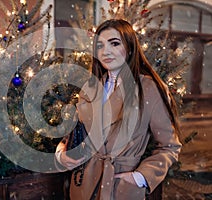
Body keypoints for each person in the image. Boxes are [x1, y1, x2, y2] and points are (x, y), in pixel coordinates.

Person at [55, 19, 182, 200]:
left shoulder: (149, 89)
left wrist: (140, 177)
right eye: (100, 45)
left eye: (114, 43)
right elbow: (73, 134)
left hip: (120, 187)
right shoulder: (90, 87)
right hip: (83, 184)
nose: (106, 51)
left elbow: (170, 146)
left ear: (129, 47)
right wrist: (61, 154)